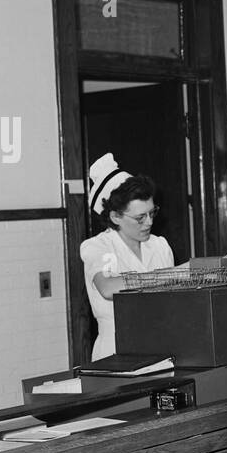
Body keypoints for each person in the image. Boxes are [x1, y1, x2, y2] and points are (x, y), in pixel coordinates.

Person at [80, 153, 176, 360]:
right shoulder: (99, 247)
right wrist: (177, 274)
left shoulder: (160, 246)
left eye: (152, 213)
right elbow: (108, 287)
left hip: (161, 349)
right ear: (115, 216)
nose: (149, 222)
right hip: (116, 354)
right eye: (140, 217)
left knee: (167, 395)